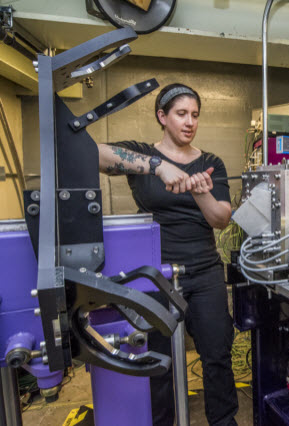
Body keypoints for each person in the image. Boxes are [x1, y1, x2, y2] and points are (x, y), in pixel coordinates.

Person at [97, 83, 238, 426]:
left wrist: (200, 191)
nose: (190, 122)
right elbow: (92, 153)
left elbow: (221, 219)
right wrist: (158, 167)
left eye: (195, 115)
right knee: (159, 360)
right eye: (181, 114)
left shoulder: (210, 163)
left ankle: (224, 421)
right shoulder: (141, 154)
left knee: (217, 354)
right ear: (162, 116)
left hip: (204, 272)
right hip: (155, 273)